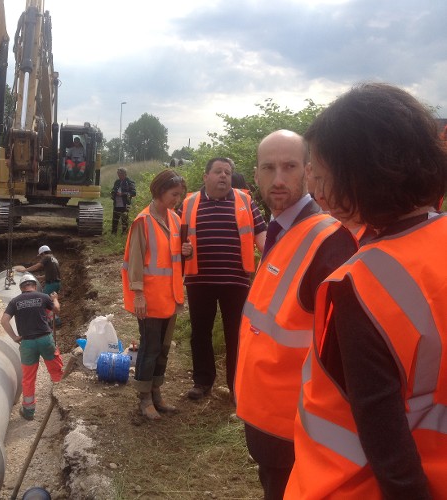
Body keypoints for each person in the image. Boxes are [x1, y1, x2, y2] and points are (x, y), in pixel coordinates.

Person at [285, 83, 447, 499]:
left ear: (363, 173)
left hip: (348, 486)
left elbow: (386, 444)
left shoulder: (361, 284)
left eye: (322, 175)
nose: (317, 192)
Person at [234, 130, 358, 500]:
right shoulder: (282, 231)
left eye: (289, 167)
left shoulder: (328, 241)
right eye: (268, 168)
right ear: (255, 175)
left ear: (307, 171)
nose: (277, 179)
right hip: (268, 417)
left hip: (296, 425)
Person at [179, 157, 267, 400]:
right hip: (199, 280)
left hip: (235, 281)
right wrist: (179, 249)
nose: (223, 176)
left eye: (227, 172)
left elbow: (262, 235)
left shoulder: (245, 201)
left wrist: (274, 260)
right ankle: (202, 382)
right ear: (205, 176)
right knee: (200, 333)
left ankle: (236, 386)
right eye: (218, 171)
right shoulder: (188, 203)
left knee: (236, 334)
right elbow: (173, 238)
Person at [122, 169, 193, 420]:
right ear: (160, 191)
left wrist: (186, 251)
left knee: (162, 348)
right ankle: (144, 398)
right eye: (174, 194)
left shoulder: (174, 218)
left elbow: (171, 258)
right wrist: (138, 295)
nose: (177, 199)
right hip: (150, 299)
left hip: (170, 297)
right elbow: (136, 262)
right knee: (149, 348)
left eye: (180, 195)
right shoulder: (143, 221)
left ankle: (156, 391)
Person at [0, 273, 63, 421]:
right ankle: (61, 405)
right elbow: (56, 311)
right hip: (45, 340)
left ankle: (28, 412)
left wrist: (15, 337)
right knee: (56, 371)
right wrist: (55, 299)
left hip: (27, 343)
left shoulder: (15, 301)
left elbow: (4, 321)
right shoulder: (43, 297)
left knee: (28, 378)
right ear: (34, 285)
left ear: (21, 287)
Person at [110, 167, 137, 235]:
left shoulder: (130, 182)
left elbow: (133, 193)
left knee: (124, 220)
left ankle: (124, 233)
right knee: (115, 219)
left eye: (120, 174)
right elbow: (113, 190)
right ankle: (113, 233)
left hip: (125, 204)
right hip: (116, 203)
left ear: (124, 174)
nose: (119, 176)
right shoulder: (117, 182)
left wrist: (122, 194)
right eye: (118, 174)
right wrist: (113, 193)